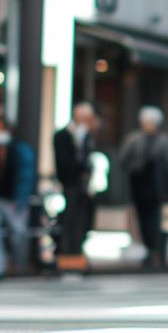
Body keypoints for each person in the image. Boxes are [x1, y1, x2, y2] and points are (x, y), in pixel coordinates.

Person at [0, 117, 37, 280]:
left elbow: (25, 177)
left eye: (1, 129)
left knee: (19, 233)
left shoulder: (20, 151)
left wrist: (20, 198)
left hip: (13, 199)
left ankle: (18, 264)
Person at [120, 106, 168, 268]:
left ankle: (159, 251)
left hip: (159, 189)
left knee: (159, 221)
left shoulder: (164, 141)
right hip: (140, 186)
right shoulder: (134, 140)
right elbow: (123, 160)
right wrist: (134, 167)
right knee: (143, 220)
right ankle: (148, 249)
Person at [53, 101, 97, 258]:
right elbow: (64, 161)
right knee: (69, 216)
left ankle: (76, 248)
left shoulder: (85, 136)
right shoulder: (62, 136)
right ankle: (66, 250)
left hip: (82, 184)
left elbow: (88, 159)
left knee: (82, 217)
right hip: (69, 182)